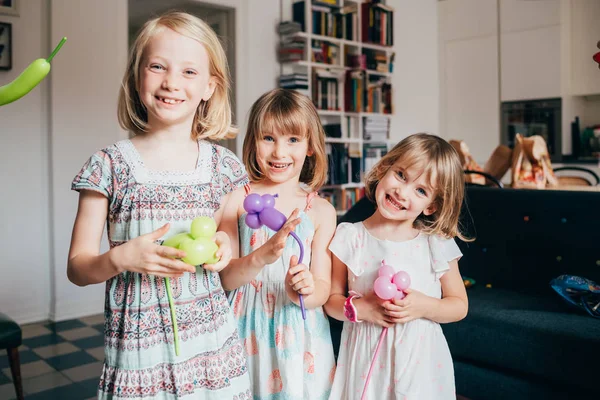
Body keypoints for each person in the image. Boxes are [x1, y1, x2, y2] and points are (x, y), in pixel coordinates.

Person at [67, 11, 251, 399]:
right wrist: (119, 259)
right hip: (139, 355)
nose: (171, 82)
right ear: (138, 77)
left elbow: (226, 244)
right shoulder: (108, 166)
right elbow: (78, 268)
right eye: (157, 66)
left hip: (211, 350)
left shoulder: (225, 167)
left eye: (189, 72)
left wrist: (223, 246)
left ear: (209, 87)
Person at [324, 133, 470, 399]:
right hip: (366, 361)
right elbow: (331, 301)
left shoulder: (436, 244)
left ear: (431, 206)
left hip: (420, 364)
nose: (402, 192)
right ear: (383, 169)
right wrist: (361, 308)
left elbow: (459, 305)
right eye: (401, 175)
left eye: (421, 190)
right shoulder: (349, 236)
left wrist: (424, 306)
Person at [218, 88, 337, 398]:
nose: (279, 152)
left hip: (299, 332)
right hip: (245, 326)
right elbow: (226, 278)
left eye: (293, 140)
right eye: (268, 138)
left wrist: (305, 290)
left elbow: (323, 287)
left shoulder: (321, 210)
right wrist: (261, 256)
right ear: (253, 141)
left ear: (311, 146)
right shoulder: (236, 199)